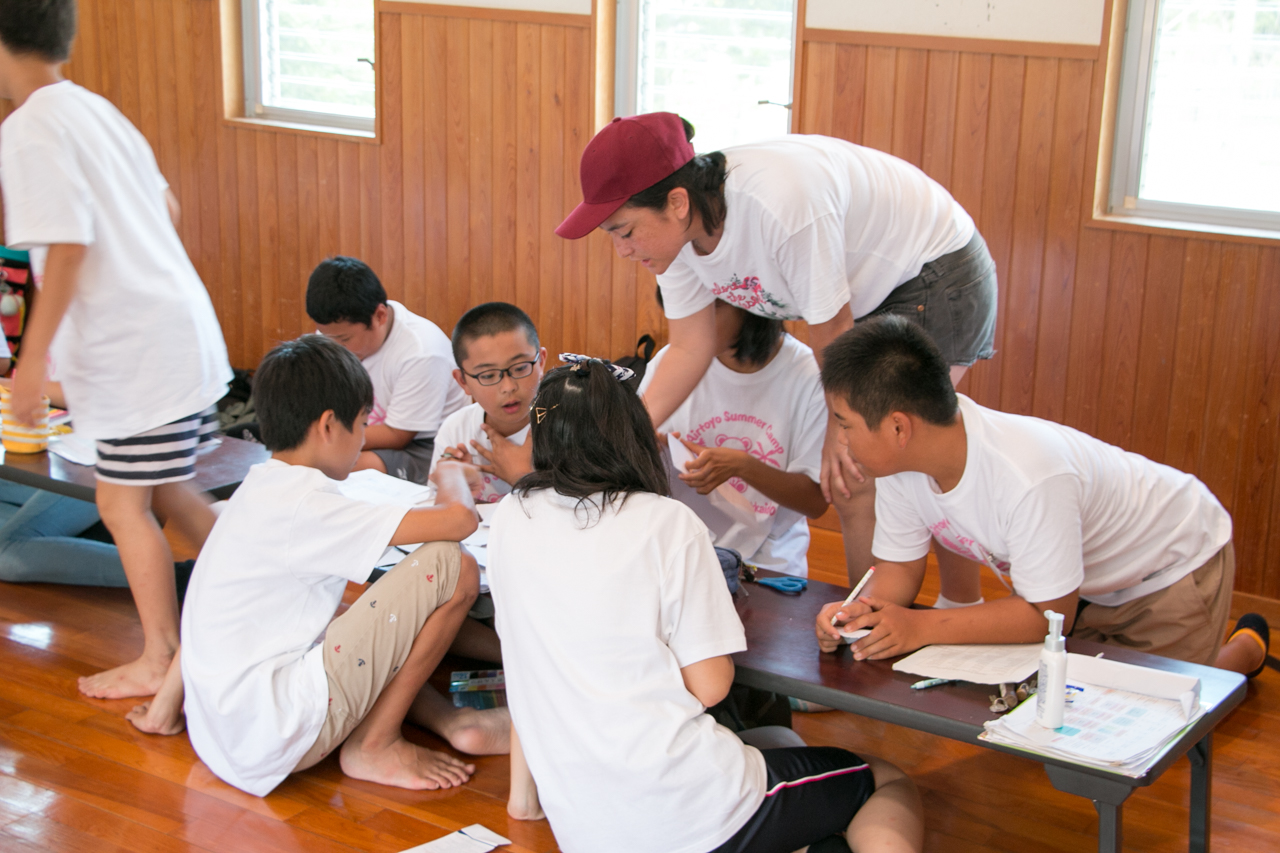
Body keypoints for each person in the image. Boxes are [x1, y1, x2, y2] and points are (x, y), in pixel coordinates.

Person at [556, 112, 997, 600]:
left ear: (676, 203)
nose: (621, 250)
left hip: (933, 274)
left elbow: (832, 330)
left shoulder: (780, 206)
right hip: (866, 298)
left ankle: (901, 616)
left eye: (624, 231)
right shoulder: (675, 242)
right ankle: (886, 616)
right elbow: (689, 346)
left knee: (858, 471)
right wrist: (622, 436)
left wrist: (838, 427)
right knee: (863, 469)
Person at [490, 357, 923, 853]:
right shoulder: (664, 521)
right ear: (632, 430)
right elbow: (712, 686)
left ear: (541, 435)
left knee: (779, 744)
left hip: (586, 827)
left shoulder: (510, 518)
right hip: (689, 811)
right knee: (886, 781)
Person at [813, 315, 1271, 679]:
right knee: (1069, 699)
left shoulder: (1027, 475)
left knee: (1163, 715)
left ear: (898, 426)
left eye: (844, 423)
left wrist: (920, 626)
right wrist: (863, 614)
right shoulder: (901, 465)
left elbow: (1047, 614)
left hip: (1171, 565)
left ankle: (1243, 651)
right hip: (1087, 581)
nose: (841, 438)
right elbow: (897, 568)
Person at [0, 0, 233, 700]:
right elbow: (166, 209)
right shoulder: (94, 109)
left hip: (139, 349)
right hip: (180, 330)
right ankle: (272, 588)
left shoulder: (30, 127)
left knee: (121, 506)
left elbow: (67, 245)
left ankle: (160, 655)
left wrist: (31, 364)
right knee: (165, 491)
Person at [178, 335, 510, 797]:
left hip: (224, 732)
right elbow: (457, 521)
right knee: (451, 566)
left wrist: (162, 710)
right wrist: (451, 475)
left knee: (363, 610)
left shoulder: (258, 488)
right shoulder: (305, 503)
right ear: (329, 426)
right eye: (359, 424)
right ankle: (374, 745)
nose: (361, 440)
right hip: (273, 734)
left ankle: (453, 718)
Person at [639, 296, 826, 577]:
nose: (690, 325)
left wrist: (743, 466)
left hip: (768, 566)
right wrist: (648, 451)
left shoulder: (809, 374)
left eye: (707, 308)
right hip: (681, 554)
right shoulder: (669, 364)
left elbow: (815, 502)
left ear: (747, 305)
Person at [307, 256, 467, 484]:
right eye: (326, 337)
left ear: (380, 316)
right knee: (309, 459)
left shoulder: (421, 351)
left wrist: (324, 439)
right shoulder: (335, 336)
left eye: (344, 339)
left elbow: (397, 435)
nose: (334, 347)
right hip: (354, 432)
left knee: (331, 467)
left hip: (424, 446)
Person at [429, 302, 545, 502]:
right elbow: (439, 514)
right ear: (462, 381)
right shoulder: (456, 430)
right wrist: (458, 489)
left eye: (520, 368)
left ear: (541, 362)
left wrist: (523, 477)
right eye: (489, 375)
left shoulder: (569, 425)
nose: (508, 387)